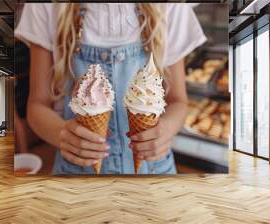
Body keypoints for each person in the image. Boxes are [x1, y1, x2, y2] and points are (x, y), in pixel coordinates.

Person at [15, 3, 207, 174]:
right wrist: (62, 135)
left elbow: (178, 101)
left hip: (154, 168)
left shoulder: (169, 7)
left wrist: (167, 128)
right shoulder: (46, 6)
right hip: (76, 171)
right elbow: (37, 106)